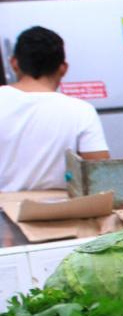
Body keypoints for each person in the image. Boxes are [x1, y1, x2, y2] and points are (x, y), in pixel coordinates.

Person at [0, 26, 109, 192]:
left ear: (14, 63)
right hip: (62, 206)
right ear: (63, 68)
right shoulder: (81, 111)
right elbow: (100, 174)